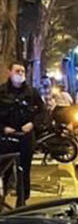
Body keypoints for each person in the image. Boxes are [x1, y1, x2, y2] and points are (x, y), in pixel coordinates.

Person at [0, 62, 45, 207]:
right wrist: (3, 128)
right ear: (10, 72)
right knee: (5, 169)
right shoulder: (2, 92)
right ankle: (4, 197)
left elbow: (43, 112)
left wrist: (32, 124)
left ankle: (22, 201)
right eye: (17, 70)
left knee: (24, 170)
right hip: (6, 138)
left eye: (23, 71)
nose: (20, 74)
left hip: (25, 138)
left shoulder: (32, 92)